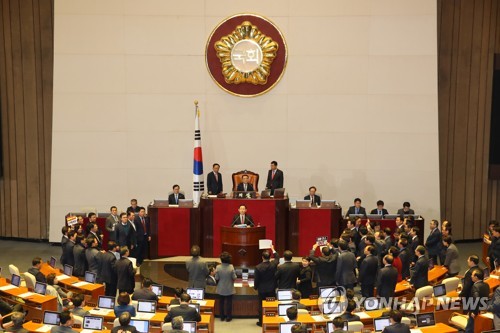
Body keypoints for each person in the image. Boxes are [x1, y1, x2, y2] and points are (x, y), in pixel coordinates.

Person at [254, 246, 280, 326]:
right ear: (270, 257)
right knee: (271, 305)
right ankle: (271, 320)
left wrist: (255, 287)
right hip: (272, 288)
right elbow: (277, 257)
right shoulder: (273, 264)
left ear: (262, 257)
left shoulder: (258, 267)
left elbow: (256, 279)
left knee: (261, 305)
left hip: (262, 289)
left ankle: (261, 322)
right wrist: (273, 249)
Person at [465, 268, 490, 333]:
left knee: (469, 329)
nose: (471, 276)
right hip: (483, 309)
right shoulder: (486, 285)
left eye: (472, 275)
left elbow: (476, 299)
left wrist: (474, 312)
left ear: (476, 277)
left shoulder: (475, 286)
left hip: (476, 311)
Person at [215, 252, 236, 322]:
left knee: (221, 303)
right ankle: (228, 317)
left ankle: (222, 317)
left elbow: (217, 278)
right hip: (229, 288)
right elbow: (234, 277)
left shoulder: (218, 267)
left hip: (220, 288)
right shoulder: (231, 267)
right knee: (229, 303)